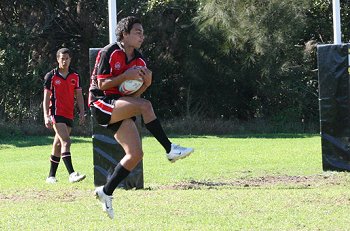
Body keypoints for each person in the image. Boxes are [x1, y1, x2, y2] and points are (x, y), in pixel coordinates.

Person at [90, 16, 194, 219]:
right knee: (146, 106)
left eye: (143, 33)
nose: (142, 36)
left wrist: (146, 84)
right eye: (137, 32)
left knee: (135, 154)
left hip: (120, 104)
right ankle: (169, 148)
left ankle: (106, 192)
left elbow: (133, 97)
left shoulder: (140, 60)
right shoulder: (109, 52)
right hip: (101, 103)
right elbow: (102, 85)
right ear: (124, 34)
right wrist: (126, 76)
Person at [43, 48, 86, 184]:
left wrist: (82, 112)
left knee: (57, 144)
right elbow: (46, 98)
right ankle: (72, 174)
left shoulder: (75, 76)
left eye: (67, 58)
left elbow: (78, 95)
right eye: (62, 58)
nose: (64, 61)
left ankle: (51, 176)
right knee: (66, 141)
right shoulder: (51, 76)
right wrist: (46, 115)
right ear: (57, 59)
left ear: (70, 59)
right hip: (56, 113)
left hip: (69, 114)